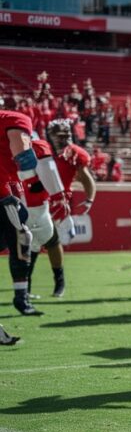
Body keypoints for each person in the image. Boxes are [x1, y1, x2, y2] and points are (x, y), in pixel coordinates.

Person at [1, 108, 64, 316]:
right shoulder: (18, 121)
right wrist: (58, 195)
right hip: (5, 189)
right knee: (22, 237)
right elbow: (26, 158)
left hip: (10, 188)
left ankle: (24, 294)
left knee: (20, 238)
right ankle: (22, 297)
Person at [43, 119, 96, 297]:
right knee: (31, 243)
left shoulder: (74, 153)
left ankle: (59, 281)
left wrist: (89, 199)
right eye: (60, 136)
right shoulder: (41, 149)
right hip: (38, 197)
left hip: (59, 201)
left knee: (52, 240)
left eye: (66, 135)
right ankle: (24, 288)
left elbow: (85, 177)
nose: (64, 139)